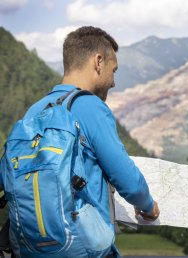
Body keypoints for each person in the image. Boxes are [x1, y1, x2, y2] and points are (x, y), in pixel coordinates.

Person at [8, 26, 160, 257]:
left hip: (33, 248)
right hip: (83, 248)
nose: (113, 82)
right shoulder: (89, 106)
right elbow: (129, 181)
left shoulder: (34, 111)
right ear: (98, 61)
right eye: (114, 70)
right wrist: (148, 206)